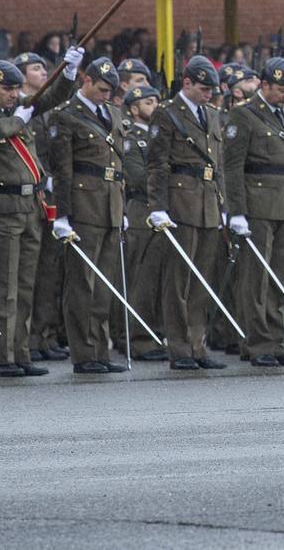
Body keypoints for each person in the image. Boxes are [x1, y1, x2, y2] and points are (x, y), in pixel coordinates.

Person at [0, 49, 82, 378]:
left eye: (17, 89)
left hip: (30, 207)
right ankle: (2, 358)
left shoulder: (18, 112)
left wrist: (69, 72)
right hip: (1, 207)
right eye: (8, 90)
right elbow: (0, 131)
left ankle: (21, 353)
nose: (15, 95)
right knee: (3, 288)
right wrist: (20, 119)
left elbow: (53, 98)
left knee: (26, 286)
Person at [222, 57, 284, 368]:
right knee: (255, 278)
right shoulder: (243, 115)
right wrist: (237, 211)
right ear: (264, 84)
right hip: (257, 205)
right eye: (282, 90)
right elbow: (231, 167)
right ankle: (257, 344)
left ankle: (274, 341)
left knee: (278, 278)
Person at [146, 55, 229, 371]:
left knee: (201, 280)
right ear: (187, 84)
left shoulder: (213, 114)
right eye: (203, 88)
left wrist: (223, 205)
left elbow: (217, 166)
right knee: (178, 280)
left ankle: (197, 344)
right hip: (181, 203)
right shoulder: (167, 115)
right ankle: (179, 348)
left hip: (208, 203)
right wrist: (158, 207)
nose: (209, 94)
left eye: (212, 89)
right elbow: (157, 164)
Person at [48, 57, 127, 374]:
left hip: (111, 207)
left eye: (110, 91)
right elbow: (63, 170)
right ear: (86, 81)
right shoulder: (66, 116)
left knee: (104, 284)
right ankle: (83, 354)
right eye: (102, 89)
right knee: (82, 283)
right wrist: (63, 214)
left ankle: (100, 350)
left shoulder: (113, 114)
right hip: (84, 206)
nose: (106, 96)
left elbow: (119, 165)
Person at [16, 51, 69, 363]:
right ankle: (30, 338)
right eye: (36, 68)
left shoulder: (49, 109)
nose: (42, 72)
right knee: (32, 273)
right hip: (33, 193)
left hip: (52, 194)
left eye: (43, 67)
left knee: (51, 270)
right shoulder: (21, 107)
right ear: (23, 76)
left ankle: (46, 335)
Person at [118, 85, 167, 360]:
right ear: (134, 108)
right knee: (142, 280)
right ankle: (139, 340)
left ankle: (157, 334)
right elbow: (137, 176)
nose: (155, 106)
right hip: (142, 211)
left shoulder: (160, 136)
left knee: (160, 278)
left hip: (161, 210)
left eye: (157, 101)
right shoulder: (131, 138)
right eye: (149, 102)